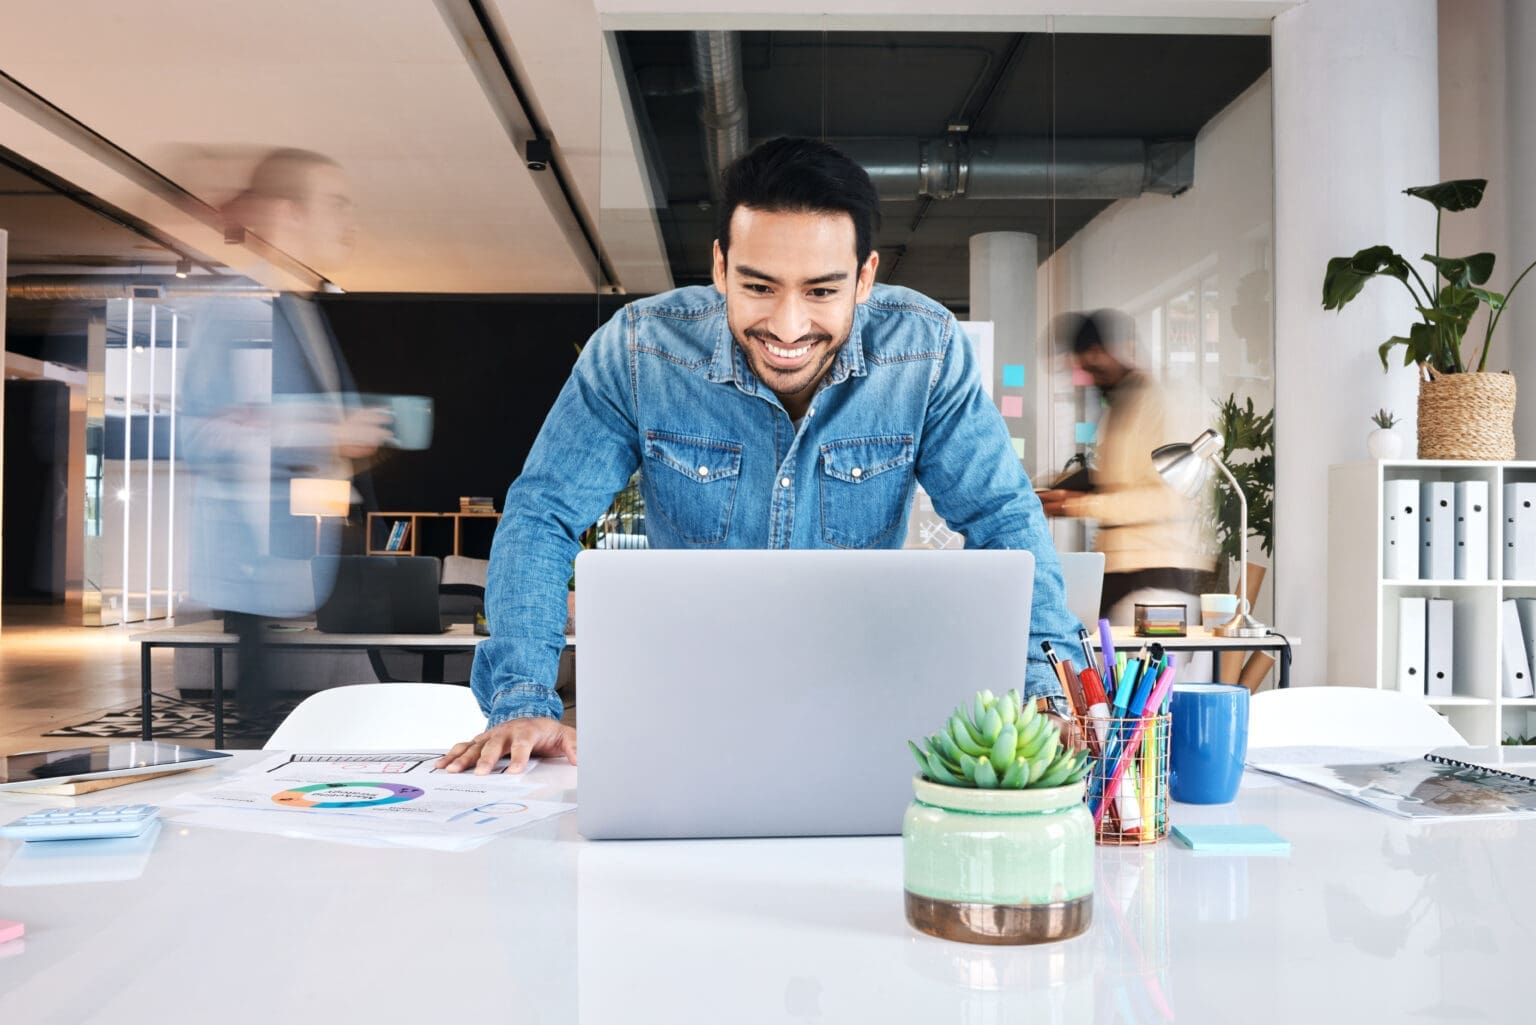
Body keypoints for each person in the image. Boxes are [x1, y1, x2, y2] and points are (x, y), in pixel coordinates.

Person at [438, 137, 1083, 775]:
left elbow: (1004, 520)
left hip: (860, 717)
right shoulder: (639, 353)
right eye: (759, 286)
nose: (788, 327)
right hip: (685, 721)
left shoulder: (923, 353)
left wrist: (1050, 701)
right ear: (720, 266)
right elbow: (542, 513)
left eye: (822, 292)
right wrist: (522, 699)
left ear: (865, 278)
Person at [180, 149, 391, 716]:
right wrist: (324, 433)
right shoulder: (238, 307)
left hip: (300, 552)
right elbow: (195, 433)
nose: (350, 223)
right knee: (262, 725)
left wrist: (343, 438)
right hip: (253, 560)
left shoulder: (298, 308)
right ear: (288, 213)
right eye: (336, 204)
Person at [1038, 310, 1213, 649]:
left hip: (1157, 577)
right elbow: (1119, 480)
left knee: (1145, 692)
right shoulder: (1122, 405)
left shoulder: (1162, 401)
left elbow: (1171, 497)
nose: (1089, 378)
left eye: (1093, 365)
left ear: (1119, 349)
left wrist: (1079, 504)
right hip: (1122, 572)